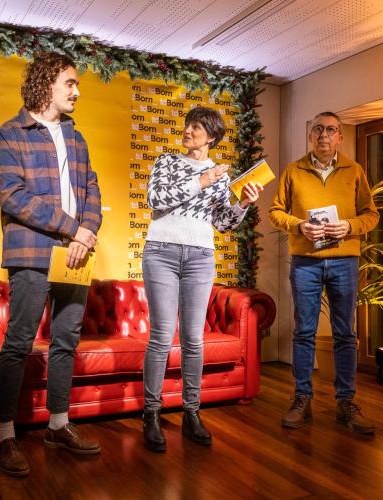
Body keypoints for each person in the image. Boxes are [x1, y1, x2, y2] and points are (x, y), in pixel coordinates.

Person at [0, 52, 103, 476]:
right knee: (19, 341)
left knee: (66, 340)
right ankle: (5, 433)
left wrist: (86, 231)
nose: (77, 91)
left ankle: (58, 424)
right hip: (32, 252)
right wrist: (72, 228)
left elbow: (92, 189)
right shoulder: (10, 133)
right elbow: (12, 195)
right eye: (70, 83)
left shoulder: (76, 137)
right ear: (46, 83)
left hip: (76, 254)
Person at [142, 107, 263, 451]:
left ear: (211, 137)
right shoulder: (167, 162)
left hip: (199, 256)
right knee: (162, 336)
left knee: (194, 339)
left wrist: (242, 204)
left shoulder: (221, 175)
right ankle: (151, 414)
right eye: (187, 125)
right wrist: (201, 181)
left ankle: (191, 412)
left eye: (196, 127)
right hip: (161, 252)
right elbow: (156, 199)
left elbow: (223, 222)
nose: (188, 131)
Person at [269, 111, 379, 434]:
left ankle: (346, 402)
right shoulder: (293, 171)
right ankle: (302, 399)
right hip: (306, 262)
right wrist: (299, 225)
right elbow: (275, 212)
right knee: (304, 331)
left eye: (331, 130)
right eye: (318, 129)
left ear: (340, 137)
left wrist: (350, 226)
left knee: (345, 333)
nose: (324, 135)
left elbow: (371, 215)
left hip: (344, 262)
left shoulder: (354, 171)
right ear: (310, 136)